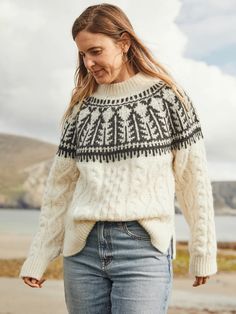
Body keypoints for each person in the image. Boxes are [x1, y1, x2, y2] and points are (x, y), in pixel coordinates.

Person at [19, 3, 217, 314]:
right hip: (82, 251)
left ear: (123, 43)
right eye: (83, 55)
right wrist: (40, 256)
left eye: (95, 51)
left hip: (143, 249)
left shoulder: (168, 98)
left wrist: (203, 250)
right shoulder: (80, 110)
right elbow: (60, 189)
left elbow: (193, 178)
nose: (89, 62)